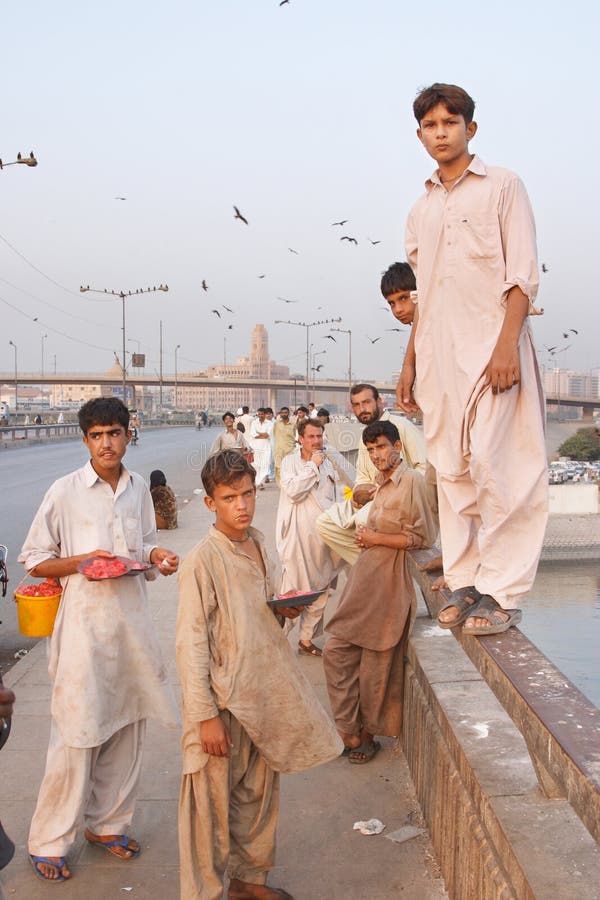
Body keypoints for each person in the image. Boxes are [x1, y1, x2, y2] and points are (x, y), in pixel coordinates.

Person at [398, 82, 548, 635]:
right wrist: (410, 363)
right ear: (420, 136)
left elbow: (523, 273)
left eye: (449, 123)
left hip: (493, 352)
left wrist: (507, 344)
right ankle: (464, 581)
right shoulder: (420, 210)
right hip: (440, 357)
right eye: (430, 126)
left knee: (499, 466)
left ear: (470, 129)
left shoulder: (504, 187)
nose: (440, 133)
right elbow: (425, 295)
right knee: (453, 471)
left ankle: (503, 591)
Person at [18, 397, 179, 883]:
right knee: (75, 737)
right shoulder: (64, 492)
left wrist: (159, 555)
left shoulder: (137, 491)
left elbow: (143, 547)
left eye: (114, 432)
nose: (107, 442)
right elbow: (34, 558)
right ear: (85, 440)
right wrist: (80, 562)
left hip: (132, 628)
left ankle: (108, 825)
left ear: (130, 434)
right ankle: (48, 839)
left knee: (129, 727)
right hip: (84, 633)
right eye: (96, 435)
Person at [176, 450, 342, 900]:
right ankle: (204, 893)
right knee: (207, 812)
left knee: (257, 797)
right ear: (211, 503)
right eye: (229, 498)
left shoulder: (263, 543)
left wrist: (286, 611)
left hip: (265, 694)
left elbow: (266, 618)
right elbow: (190, 646)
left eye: (248, 493)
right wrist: (204, 715)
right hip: (222, 703)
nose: (242, 505)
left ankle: (248, 883)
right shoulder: (201, 562)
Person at [324, 421, 437, 763]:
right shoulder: (380, 486)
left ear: (398, 447)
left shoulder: (412, 483)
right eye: (371, 450)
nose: (376, 455)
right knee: (336, 652)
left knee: (376, 667)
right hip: (364, 579)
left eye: (382, 447)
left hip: (389, 583)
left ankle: (366, 736)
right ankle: (348, 729)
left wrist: (376, 539)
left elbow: (423, 539)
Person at [316, 384, 428, 566]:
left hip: (402, 502)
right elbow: (362, 478)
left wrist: (392, 489)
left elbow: (425, 469)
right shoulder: (364, 438)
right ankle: (372, 564)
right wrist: (359, 494)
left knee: (362, 520)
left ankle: (380, 564)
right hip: (373, 501)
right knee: (325, 522)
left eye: (366, 402)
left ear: (379, 402)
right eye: (357, 405)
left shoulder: (401, 426)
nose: (363, 409)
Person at [276, 419, 344, 657]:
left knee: (321, 591)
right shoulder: (289, 463)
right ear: (301, 439)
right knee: (293, 595)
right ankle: (276, 644)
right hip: (297, 539)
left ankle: (305, 641)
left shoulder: (328, 464)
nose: (316, 441)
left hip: (322, 539)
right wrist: (312, 467)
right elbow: (294, 492)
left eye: (319, 436)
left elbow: (334, 498)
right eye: (311, 437)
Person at [248, 408, 272, 489]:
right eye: (259, 414)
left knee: (264, 465)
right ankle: (258, 483)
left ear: (265, 414)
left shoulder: (269, 423)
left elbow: (268, 435)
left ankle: (260, 482)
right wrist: (262, 435)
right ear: (257, 414)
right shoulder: (254, 423)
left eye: (262, 414)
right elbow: (253, 434)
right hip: (256, 447)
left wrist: (258, 433)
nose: (260, 415)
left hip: (266, 447)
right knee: (257, 465)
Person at [273, 407, 296, 484]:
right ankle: (281, 484)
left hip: (290, 450)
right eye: (282, 413)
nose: (284, 414)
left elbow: (295, 435)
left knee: (289, 467)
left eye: (285, 412)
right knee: (278, 467)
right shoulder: (277, 423)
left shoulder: (293, 424)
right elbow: (274, 434)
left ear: (288, 413)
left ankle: (288, 483)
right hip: (279, 449)